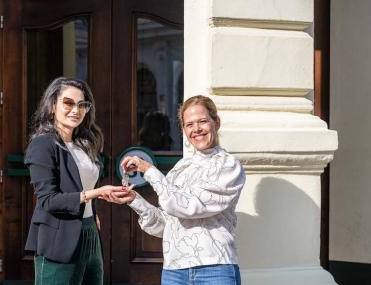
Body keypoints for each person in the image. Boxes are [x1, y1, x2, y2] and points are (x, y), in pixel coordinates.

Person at [103, 95, 246, 285]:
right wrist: (134, 199)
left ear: (216, 123)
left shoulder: (228, 166)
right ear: (184, 130)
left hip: (215, 269)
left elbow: (187, 207)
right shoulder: (180, 168)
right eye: (189, 124)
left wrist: (148, 170)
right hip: (174, 271)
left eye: (203, 121)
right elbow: (165, 224)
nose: (196, 129)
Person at [24, 77, 130, 285]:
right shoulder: (42, 145)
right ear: (53, 106)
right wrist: (96, 194)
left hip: (89, 232)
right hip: (59, 238)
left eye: (82, 105)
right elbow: (48, 200)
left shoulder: (83, 144)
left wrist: (96, 204)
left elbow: (82, 184)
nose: (76, 110)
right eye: (68, 103)